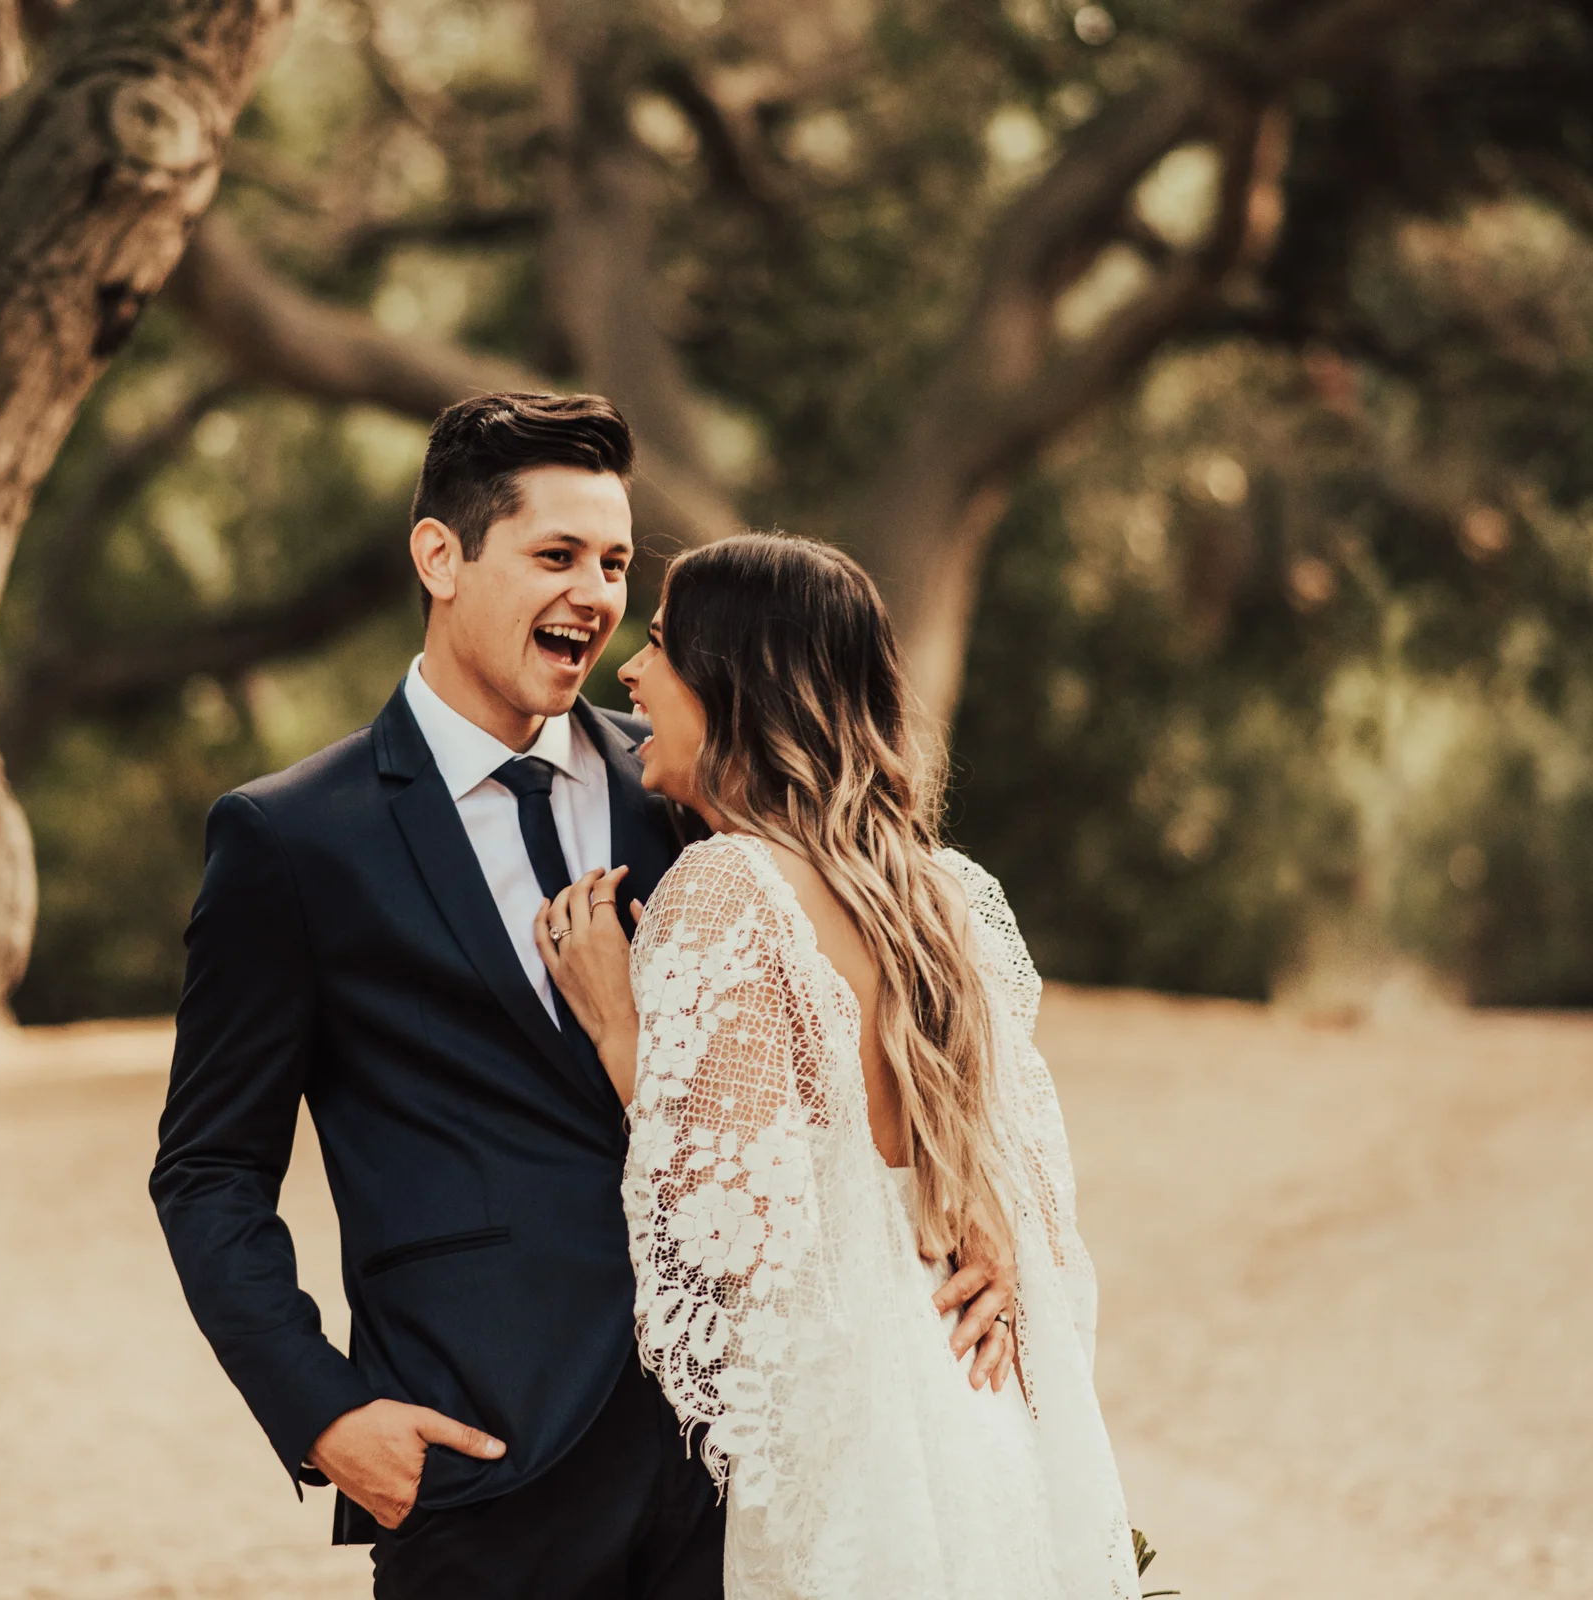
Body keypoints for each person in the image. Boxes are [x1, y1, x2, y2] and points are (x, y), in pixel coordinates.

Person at [149, 396, 1026, 1600]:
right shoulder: (292, 840)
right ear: (440, 556)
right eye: (556, 555)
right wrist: (325, 1414)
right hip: (485, 1469)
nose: (596, 595)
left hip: (739, 1464)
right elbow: (208, 1169)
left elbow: (869, 992)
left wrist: (974, 1202)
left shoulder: (690, 783)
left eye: (614, 564)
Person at [539, 533, 1139, 1599]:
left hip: (856, 1428)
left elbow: (731, 1233)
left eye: (663, 645)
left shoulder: (729, 888)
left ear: (733, 682)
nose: (631, 671)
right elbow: (1031, 1204)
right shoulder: (941, 894)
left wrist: (619, 1026)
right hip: (973, 1397)